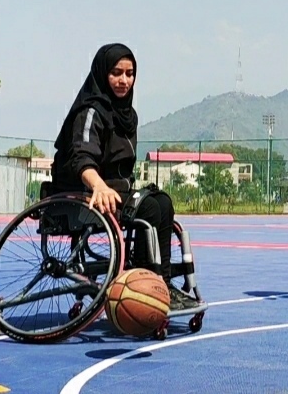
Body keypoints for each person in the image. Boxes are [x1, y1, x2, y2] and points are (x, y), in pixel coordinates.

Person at [50, 43, 198, 311]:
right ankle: (148, 284)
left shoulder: (128, 115)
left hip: (117, 192)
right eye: (116, 73)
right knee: (149, 208)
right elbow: (81, 157)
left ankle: (160, 285)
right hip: (85, 191)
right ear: (102, 73)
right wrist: (99, 186)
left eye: (130, 74)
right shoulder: (91, 110)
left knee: (162, 201)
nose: (124, 80)